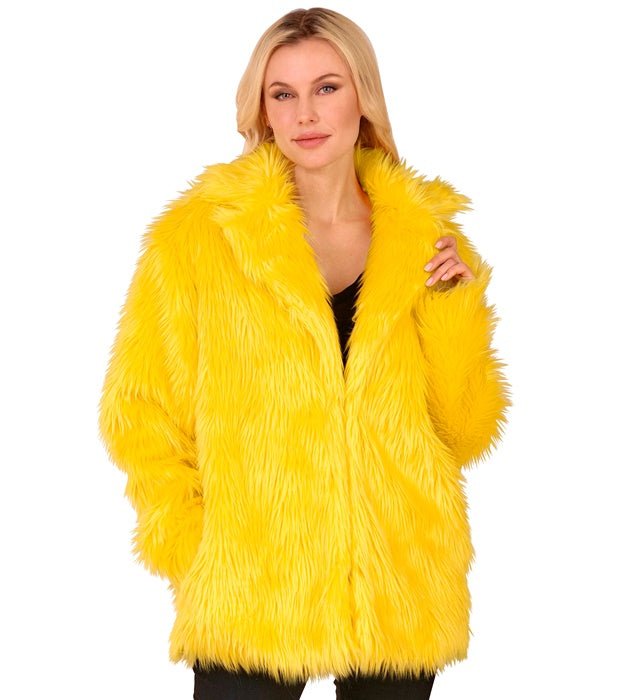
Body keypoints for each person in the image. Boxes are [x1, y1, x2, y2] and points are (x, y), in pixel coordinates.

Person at [98, 7, 511, 699]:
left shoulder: (426, 240)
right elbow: (140, 410)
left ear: (363, 96)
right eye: (282, 93)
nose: (305, 114)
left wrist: (453, 310)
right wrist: (195, 547)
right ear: (261, 109)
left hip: (398, 582)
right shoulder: (200, 237)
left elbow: (462, 433)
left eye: (326, 87)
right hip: (253, 583)